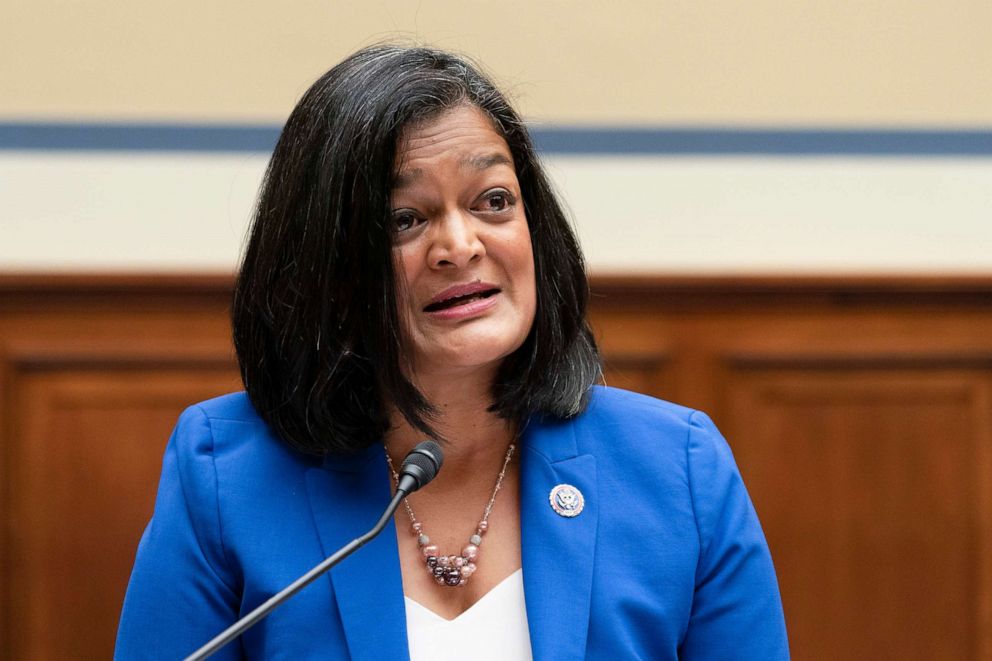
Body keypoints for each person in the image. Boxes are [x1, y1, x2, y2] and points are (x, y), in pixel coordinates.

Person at [115, 45, 789, 660]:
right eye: (405, 219)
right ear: (326, 268)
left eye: (493, 200)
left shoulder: (678, 469)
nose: (460, 245)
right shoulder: (226, 476)